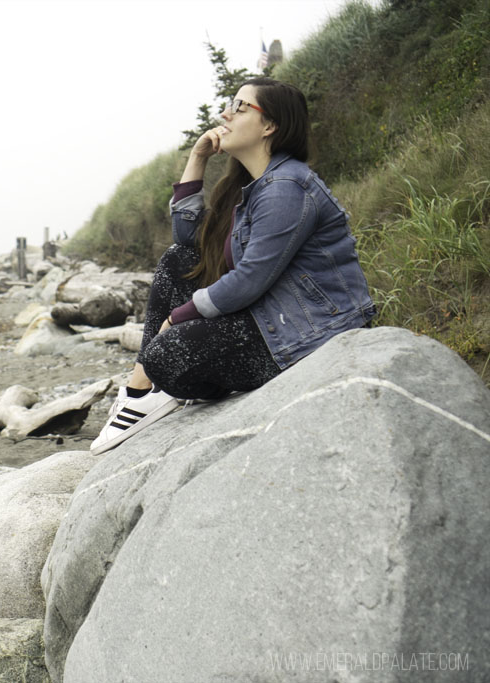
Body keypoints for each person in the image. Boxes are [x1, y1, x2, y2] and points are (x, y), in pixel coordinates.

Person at [90, 77, 376, 456]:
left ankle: (146, 386)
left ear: (269, 126)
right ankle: (141, 391)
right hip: (271, 320)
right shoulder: (254, 186)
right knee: (179, 261)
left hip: (309, 335)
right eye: (230, 103)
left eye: (240, 107)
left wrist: (179, 318)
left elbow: (251, 278)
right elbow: (187, 238)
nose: (225, 113)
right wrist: (198, 158)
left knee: (166, 355)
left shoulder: (286, 187)